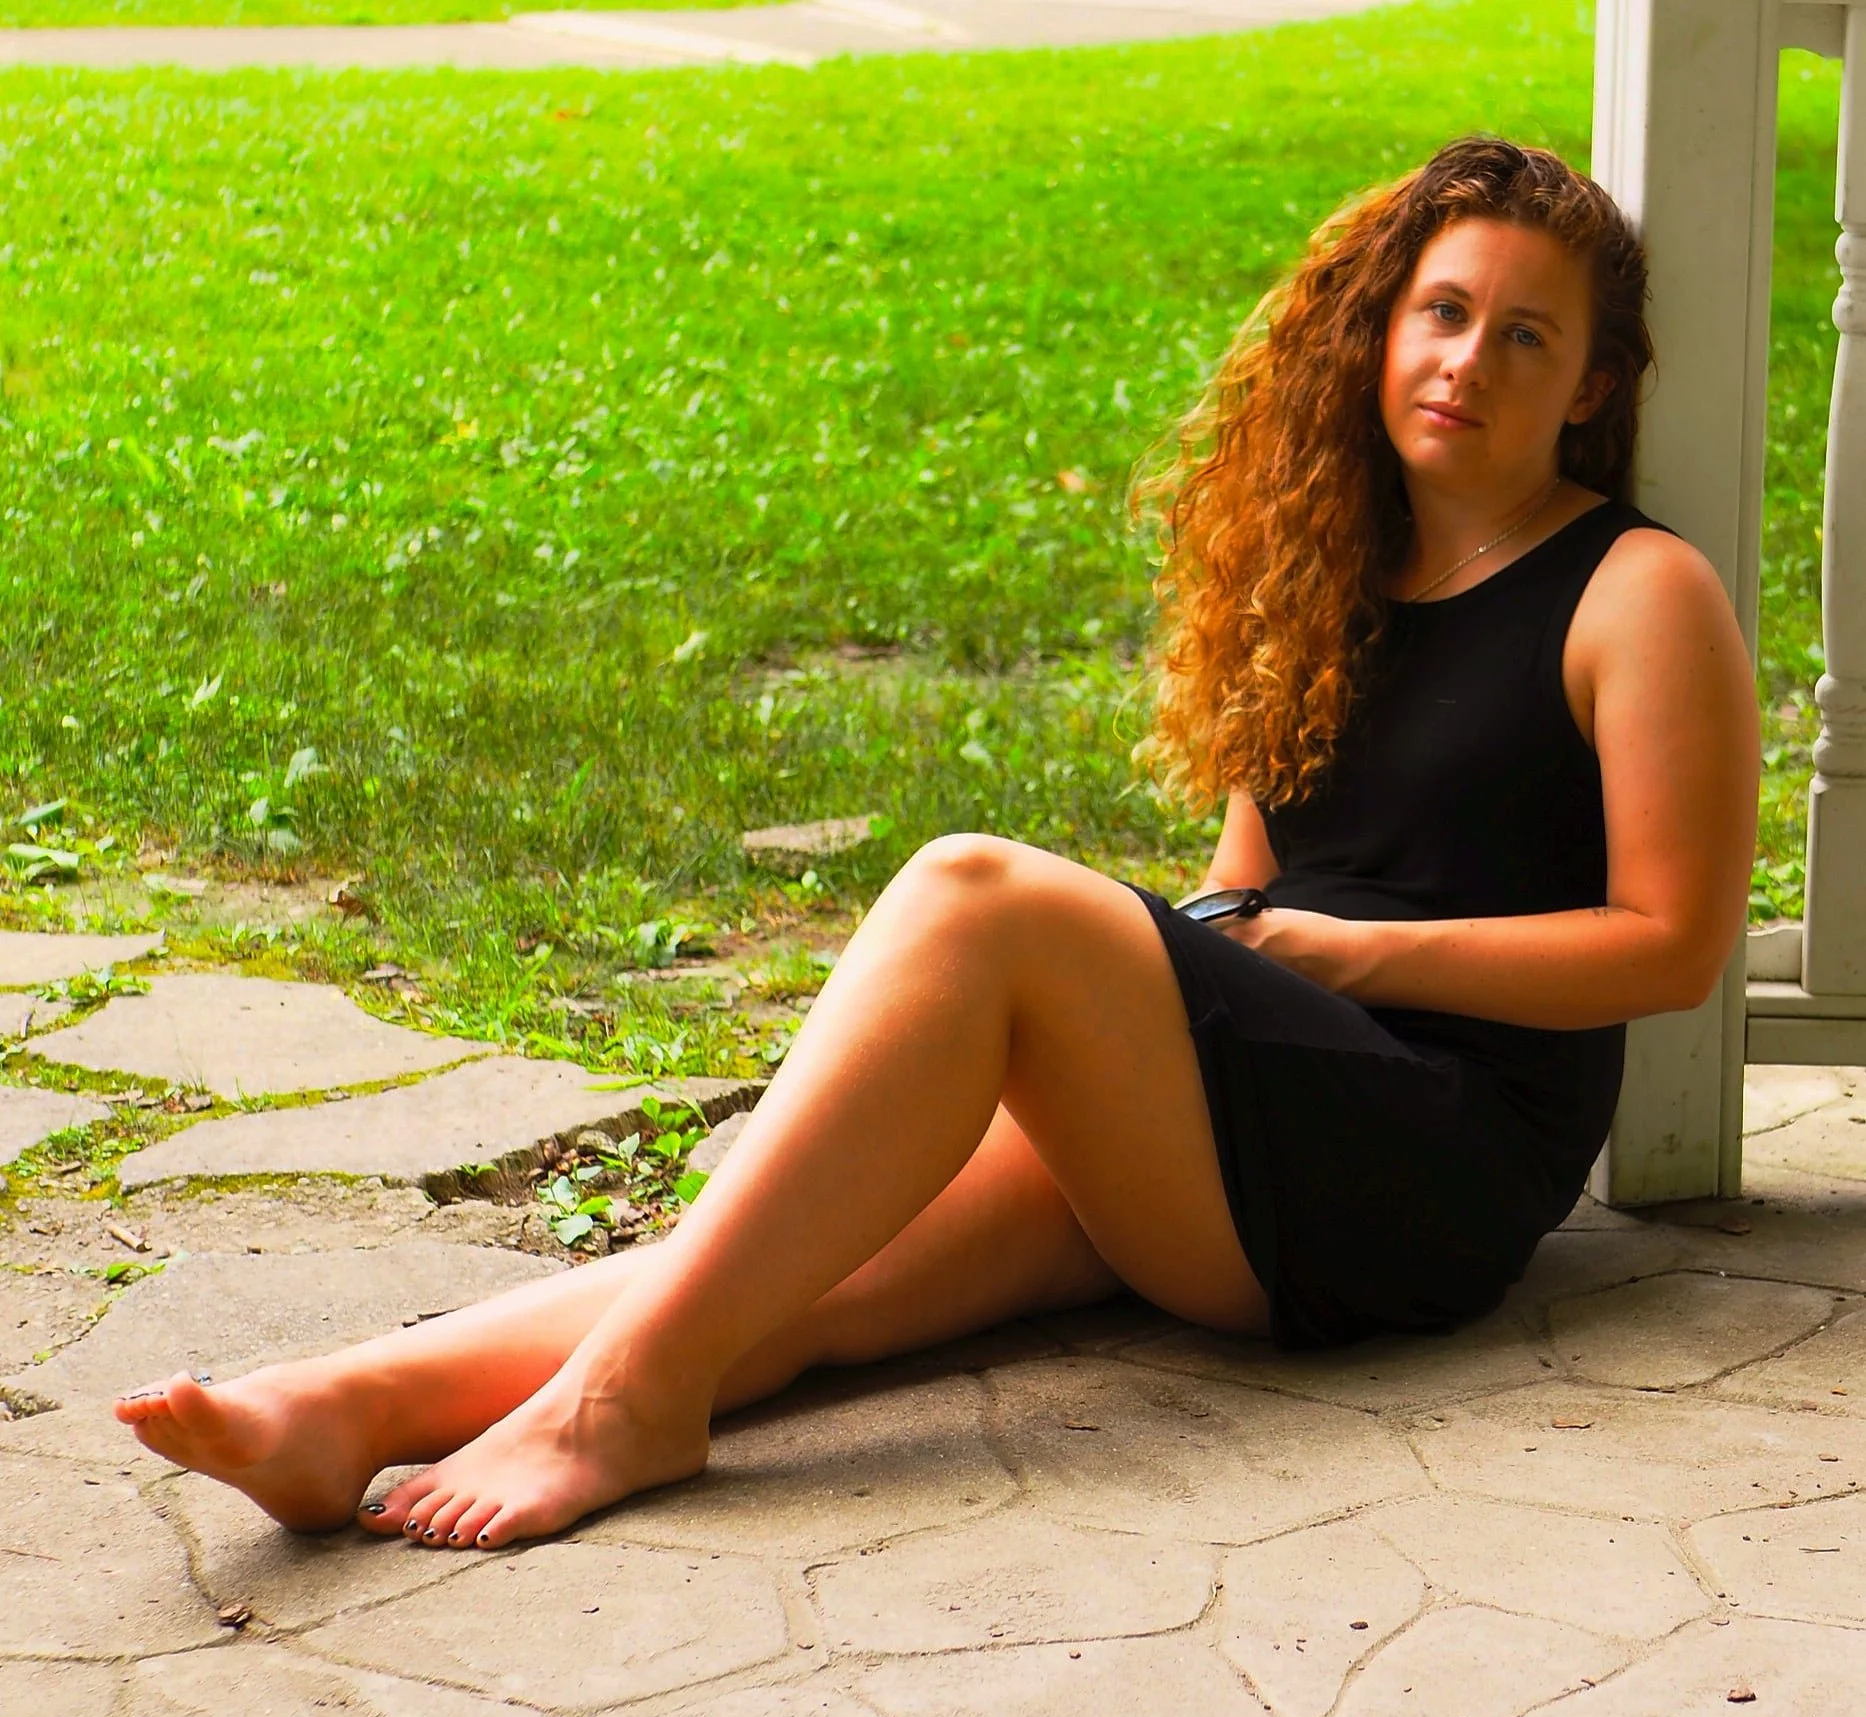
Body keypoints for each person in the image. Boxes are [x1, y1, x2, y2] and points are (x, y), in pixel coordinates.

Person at [114, 134, 1758, 1551]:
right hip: (1262, 1091)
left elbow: (1671, 949)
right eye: (1442, 313)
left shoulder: (1635, 592)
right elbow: (1252, 882)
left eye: (1523, 335)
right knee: (802, 1267)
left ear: (1592, 382)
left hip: (1426, 1165)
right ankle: (339, 1406)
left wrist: (1335, 956)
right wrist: (1220, 960)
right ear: (1382, 329)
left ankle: (624, 1409)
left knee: (979, 892)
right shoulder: (1326, 574)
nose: (1466, 362)